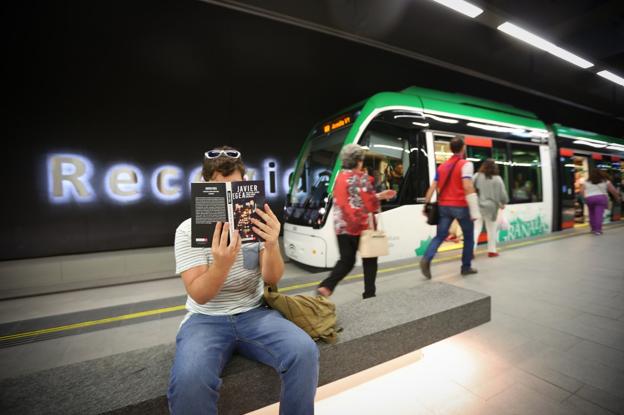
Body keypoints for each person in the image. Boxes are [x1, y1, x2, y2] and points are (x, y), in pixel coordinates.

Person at [168, 146, 319, 415]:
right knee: (189, 382)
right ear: (205, 186)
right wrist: (221, 265)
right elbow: (200, 294)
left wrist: (272, 244)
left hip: (255, 313)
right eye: (218, 186)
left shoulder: (254, 221)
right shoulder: (186, 230)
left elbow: (272, 278)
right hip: (206, 319)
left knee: (304, 351)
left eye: (235, 186)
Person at [317, 144, 396, 299]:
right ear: (359, 161)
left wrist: (377, 195)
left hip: (342, 228)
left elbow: (350, 198)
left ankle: (327, 286)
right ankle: (369, 294)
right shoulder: (362, 179)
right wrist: (381, 197)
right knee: (370, 260)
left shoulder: (339, 178)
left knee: (346, 260)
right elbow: (370, 204)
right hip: (361, 227)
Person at [421, 137, 481, 278]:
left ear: (450, 148)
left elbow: (432, 187)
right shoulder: (466, 165)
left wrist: (426, 205)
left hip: (444, 207)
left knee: (440, 236)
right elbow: (467, 186)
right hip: (460, 206)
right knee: (468, 236)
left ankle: (426, 258)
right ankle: (466, 267)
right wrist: (474, 209)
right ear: (463, 148)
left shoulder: (441, 167)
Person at [472, 159, 509, 257]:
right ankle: (492, 251)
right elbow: (503, 194)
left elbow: (470, 188)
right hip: (492, 208)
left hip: (478, 206)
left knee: (476, 229)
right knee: (491, 230)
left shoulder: (477, 176)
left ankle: (471, 251)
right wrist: (503, 202)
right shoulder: (498, 179)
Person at [581, 168, 621, 235]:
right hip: (601, 198)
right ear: (600, 173)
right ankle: (598, 230)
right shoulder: (605, 181)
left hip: (589, 198)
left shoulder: (586, 181)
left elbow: (581, 191)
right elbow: (613, 191)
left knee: (591, 214)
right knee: (598, 214)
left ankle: (593, 229)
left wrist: (585, 197)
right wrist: (617, 197)